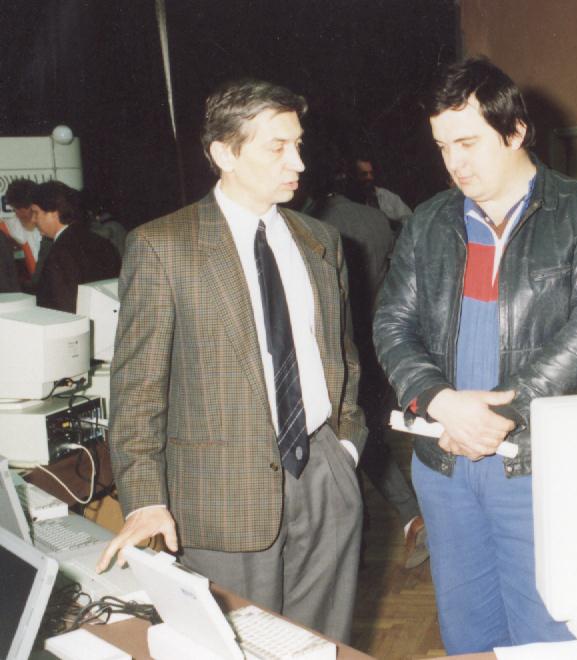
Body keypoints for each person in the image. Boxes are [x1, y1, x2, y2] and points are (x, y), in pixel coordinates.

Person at [98, 79, 366, 642]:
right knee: (237, 646)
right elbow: (138, 390)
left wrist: (345, 447)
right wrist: (145, 499)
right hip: (220, 495)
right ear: (224, 153)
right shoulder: (163, 246)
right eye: (278, 147)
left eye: (298, 144)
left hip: (324, 476)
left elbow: (342, 357)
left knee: (320, 647)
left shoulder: (321, 241)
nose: (298, 162)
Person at [373, 57, 577, 653]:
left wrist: (501, 413)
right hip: (445, 464)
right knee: (468, 636)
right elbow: (392, 323)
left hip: (539, 461)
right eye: (443, 147)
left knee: (552, 637)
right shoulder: (428, 222)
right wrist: (437, 400)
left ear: (515, 132)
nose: (454, 163)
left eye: (468, 143)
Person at [315, 162, 429, 569]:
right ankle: (412, 515)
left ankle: (368, 530)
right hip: (382, 342)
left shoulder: (311, 226)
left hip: (336, 349)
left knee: (350, 438)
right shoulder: (376, 219)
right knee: (373, 432)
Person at [29, 181, 120, 313]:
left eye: (36, 212)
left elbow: (64, 309)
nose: (33, 220)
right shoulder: (101, 242)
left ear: (54, 212)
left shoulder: (59, 253)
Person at [2, 178, 48, 291]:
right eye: (17, 209)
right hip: (23, 291)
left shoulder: (50, 227)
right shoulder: (6, 229)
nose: (19, 213)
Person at [352, 154, 413, 226]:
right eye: (364, 174)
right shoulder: (353, 202)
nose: (369, 177)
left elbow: (410, 220)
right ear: (356, 176)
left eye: (371, 173)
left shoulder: (388, 197)